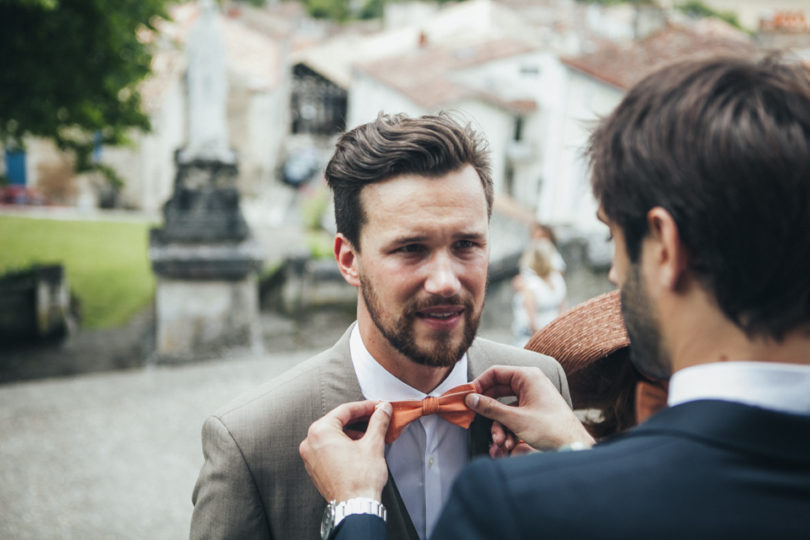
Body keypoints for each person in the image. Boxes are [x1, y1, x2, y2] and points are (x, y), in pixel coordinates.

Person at [299, 55, 810, 538]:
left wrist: (357, 510)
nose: (613, 272)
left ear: (665, 249)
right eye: (411, 249)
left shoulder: (512, 505)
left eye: (614, 239)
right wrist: (575, 449)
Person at [189, 113, 571, 540]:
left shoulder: (544, 388)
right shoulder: (251, 443)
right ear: (349, 260)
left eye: (467, 244)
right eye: (411, 249)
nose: (445, 281)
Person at [511, 238, 567, 347]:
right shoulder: (556, 279)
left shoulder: (531, 284)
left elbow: (532, 322)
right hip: (546, 335)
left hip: (542, 336)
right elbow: (562, 310)